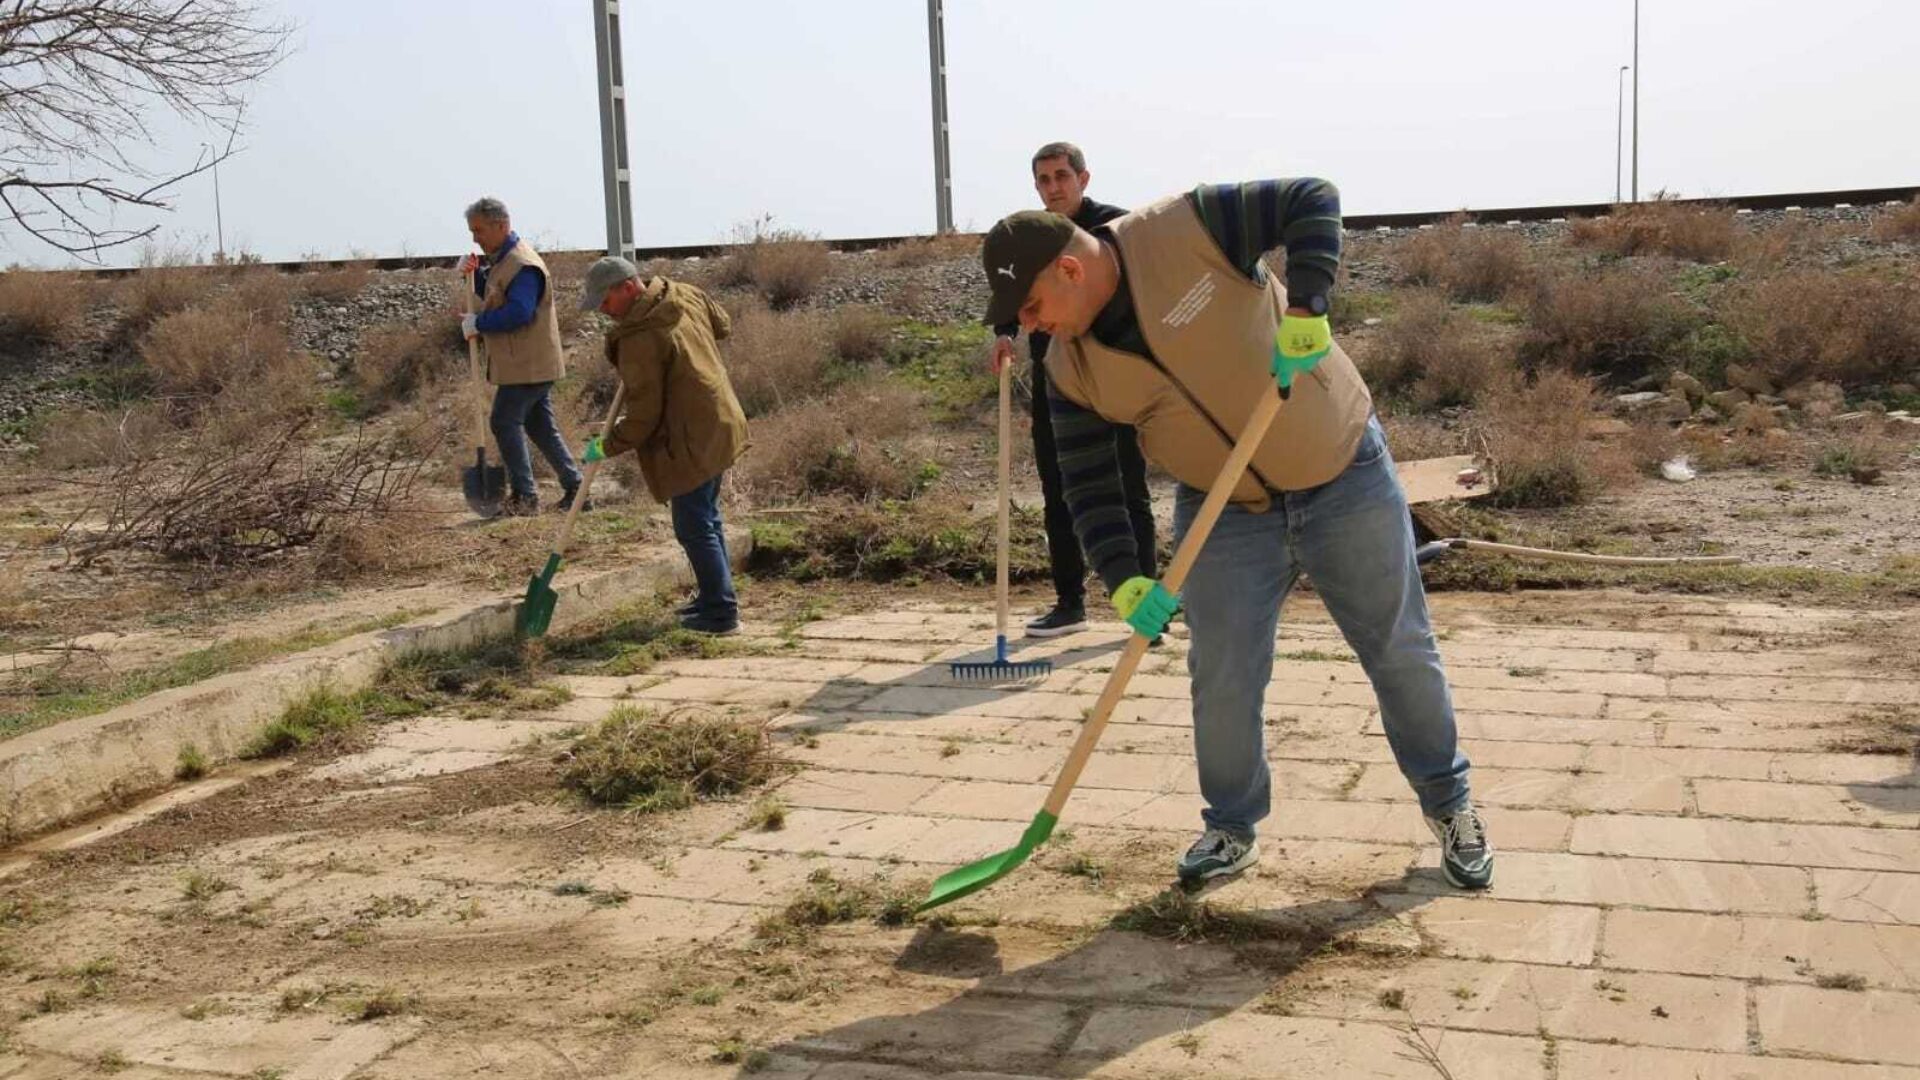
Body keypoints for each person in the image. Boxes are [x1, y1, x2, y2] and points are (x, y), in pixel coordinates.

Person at [977, 179, 1492, 891]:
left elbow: (1311, 198)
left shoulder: (1188, 228)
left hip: (1340, 469)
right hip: (1224, 509)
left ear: (1069, 268)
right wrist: (1124, 577)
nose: (1030, 324)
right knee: (1221, 672)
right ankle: (1230, 826)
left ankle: (1450, 805)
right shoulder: (1069, 370)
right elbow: (1088, 484)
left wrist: (1308, 304)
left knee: (1399, 649)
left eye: (1031, 306)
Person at [989, 142, 1157, 638]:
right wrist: (1004, 334)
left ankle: (1148, 607)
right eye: (1043, 180)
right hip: (1057, 381)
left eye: (1061, 176)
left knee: (1128, 489)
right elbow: (1010, 294)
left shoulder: (1115, 227)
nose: (1053, 187)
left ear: (1083, 179)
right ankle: (1070, 604)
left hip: (1115, 376)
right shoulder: (1030, 238)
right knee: (1059, 489)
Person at [576, 256, 746, 635]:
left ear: (627, 287)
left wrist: (606, 446)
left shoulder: (640, 337)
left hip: (689, 437)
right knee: (706, 517)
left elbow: (644, 417)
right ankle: (714, 597)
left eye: (605, 301)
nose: (604, 311)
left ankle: (721, 614)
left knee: (693, 525)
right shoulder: (682, 293)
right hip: (719, 419)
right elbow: (723, 324)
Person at [456, 197, 584, 516]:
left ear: (501, 225)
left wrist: (479, 323)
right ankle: (577, 490)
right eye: (472, 231)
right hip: (527, 363)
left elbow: (519, 312)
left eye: (479, 230)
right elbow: (497, 294)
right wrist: (473, 275)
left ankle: (525, 497)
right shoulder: (503, 260)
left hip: (529, 364)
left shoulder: (523, 264)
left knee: (503, 421)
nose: (475, 238)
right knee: (540, 426)